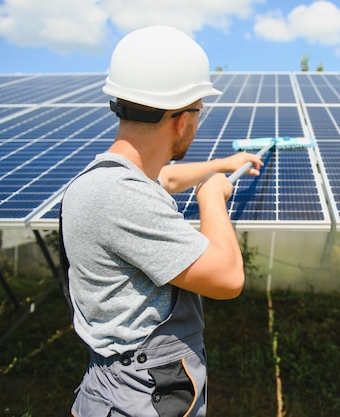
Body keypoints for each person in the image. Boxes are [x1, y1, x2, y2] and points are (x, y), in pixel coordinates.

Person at [61, 25, 263, 417]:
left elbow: (163, 180)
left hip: (125, 387)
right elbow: (227, 278)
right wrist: (210, 198)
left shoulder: (108, 180)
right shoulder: (120, 198)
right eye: (199, 111)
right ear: (181, 120)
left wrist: (222, 164)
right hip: (142, 398)